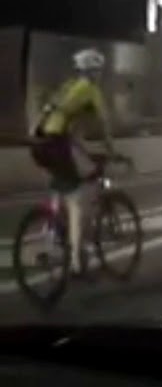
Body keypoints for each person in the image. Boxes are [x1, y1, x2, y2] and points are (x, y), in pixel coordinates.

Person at [29, 48, 120, 277]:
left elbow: (68, 128)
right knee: (79, 197)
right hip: (58, 143)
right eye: (98, 71)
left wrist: (85, 151)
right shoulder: (90, 90)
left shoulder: (67, 88)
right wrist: (111, 149)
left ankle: (52, 231)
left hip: (41, 143)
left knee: (62, 185)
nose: (100, 75)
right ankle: (77, 262)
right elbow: (103, 123)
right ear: (94, 71)